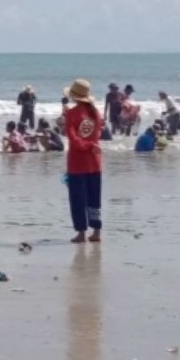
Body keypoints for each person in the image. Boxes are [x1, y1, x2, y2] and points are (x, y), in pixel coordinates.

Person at [64, 79, 103, 244]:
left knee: (78, 199)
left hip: (78, 163)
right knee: (95, 197)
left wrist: (87, 145)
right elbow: (98, 135)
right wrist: (92, 146)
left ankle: (81, 233)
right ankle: (96, 231)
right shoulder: (96, 113)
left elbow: (74, 140)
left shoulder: (71, 114)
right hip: (95, 161)